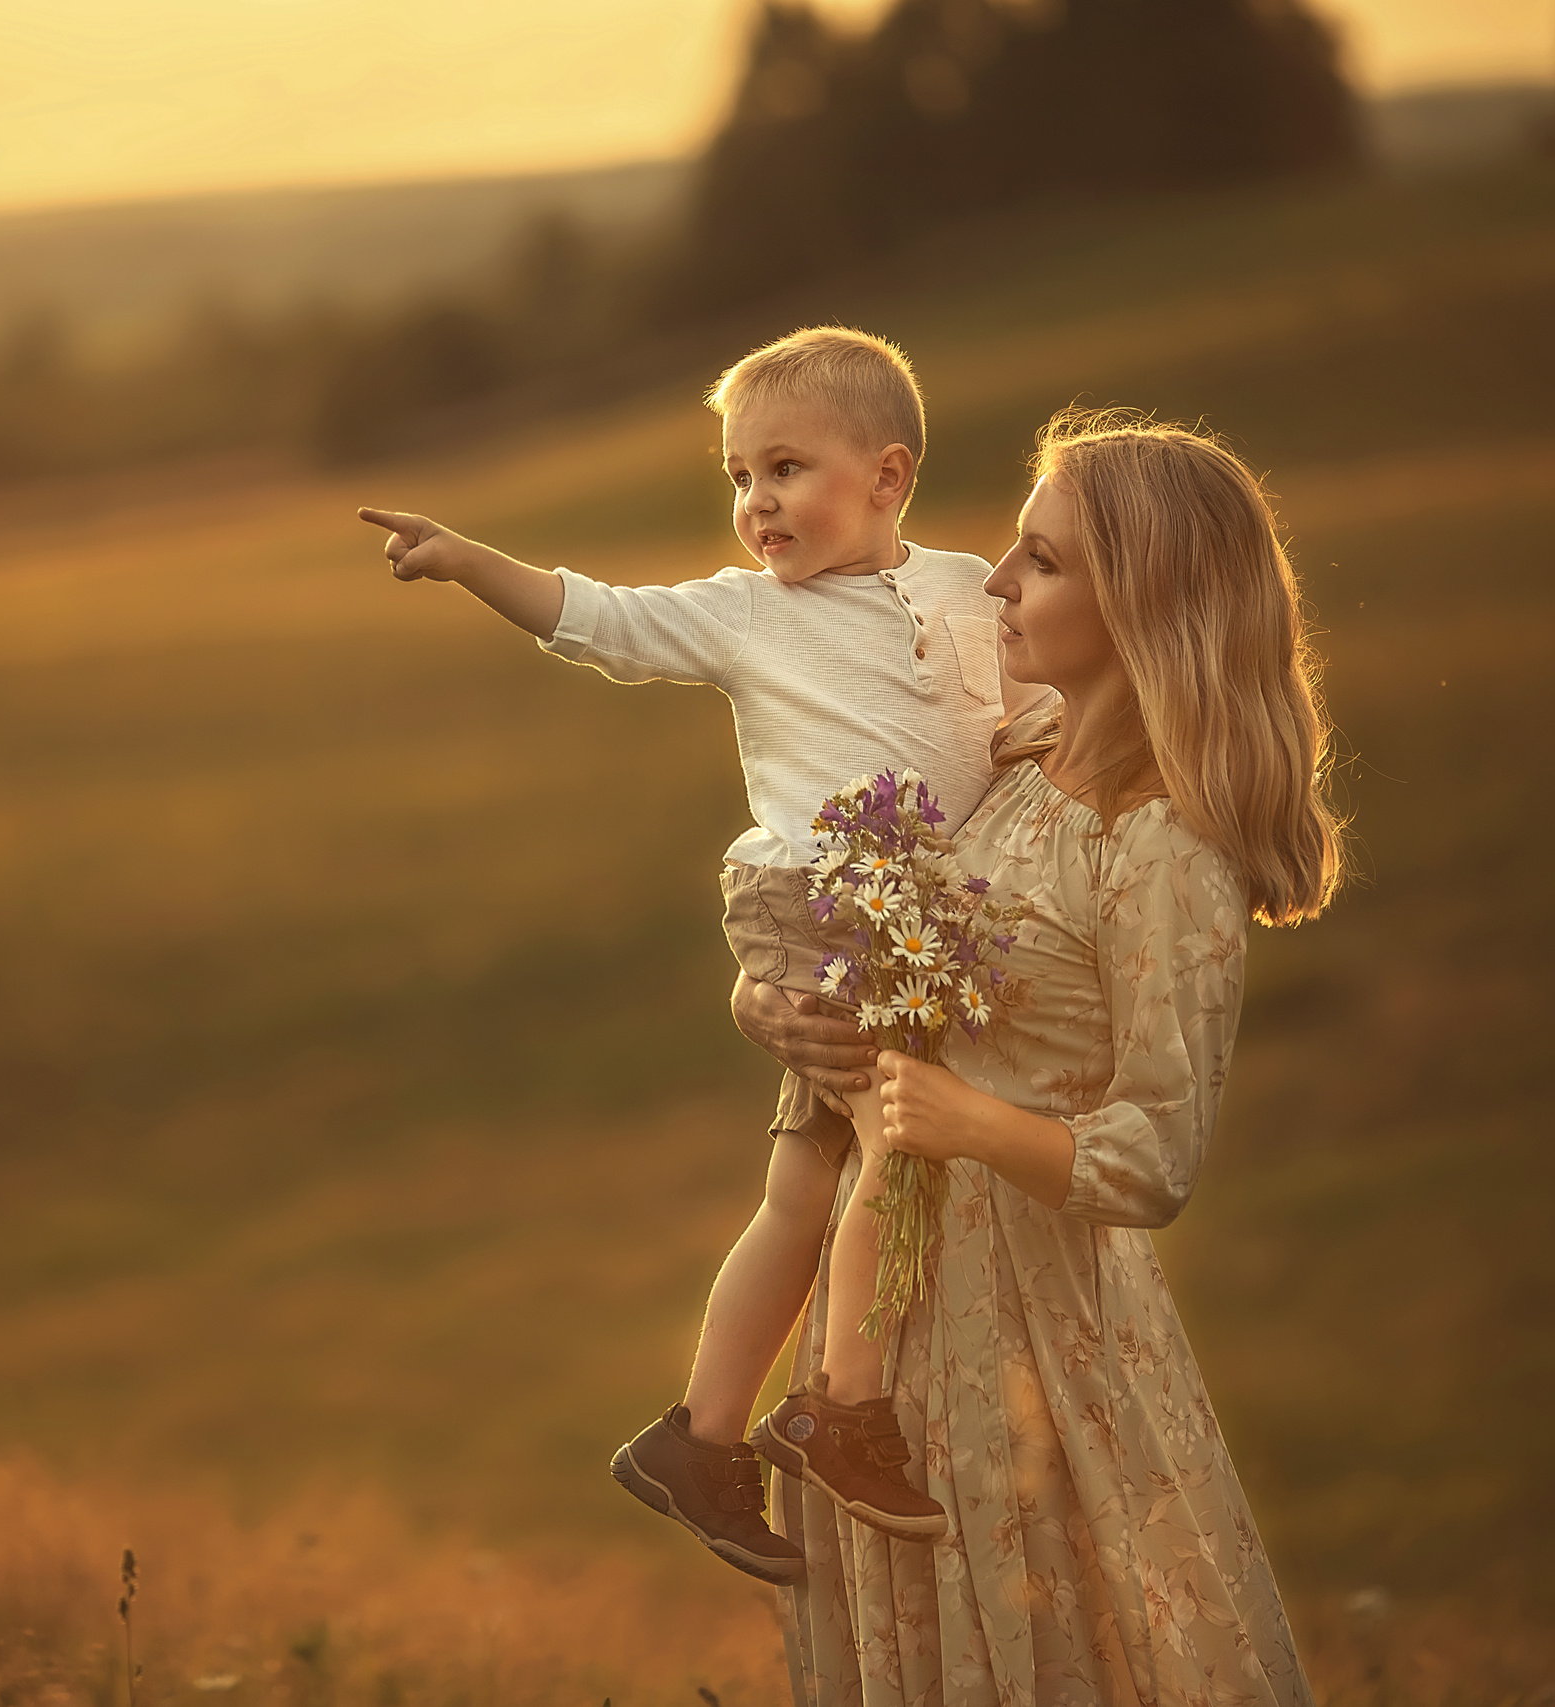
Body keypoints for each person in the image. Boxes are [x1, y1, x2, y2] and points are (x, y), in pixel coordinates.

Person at [357, 326, 1047, 1585]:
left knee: (803, 1187)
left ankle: (699, 1439)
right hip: (813, 901)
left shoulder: (964, 588)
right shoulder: (743, 618)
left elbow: (1020, 705)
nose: (754, 503)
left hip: (909, 920)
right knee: (903, 1136)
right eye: (738, 477)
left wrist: (1043, 733)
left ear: (886, 479)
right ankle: (839, 1407)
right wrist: (468, 563)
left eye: (784, 469)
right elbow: (595, 616)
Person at [735, 410, 1340, 1703]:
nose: (995, 579)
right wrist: (780, 1007)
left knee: (1059, 1641)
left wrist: (967, 1120)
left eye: (1044, 559)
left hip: (1037, 1323)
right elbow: (908, 977)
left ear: (1146, 598)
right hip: (887, 1306)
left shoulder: (1166, 843)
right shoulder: (1015, 762)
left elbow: (1154, 1159)